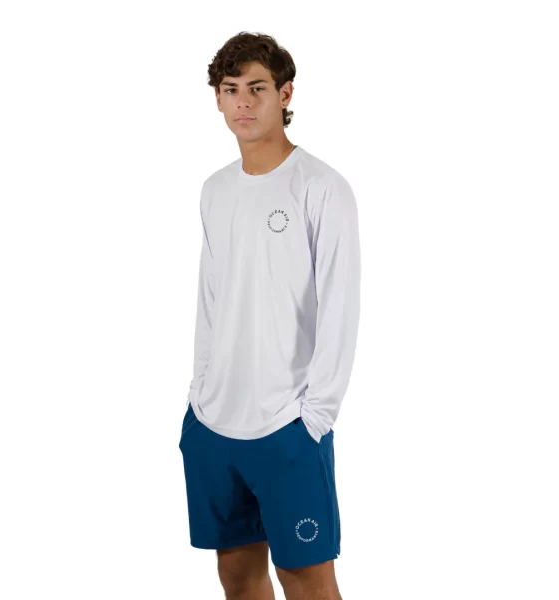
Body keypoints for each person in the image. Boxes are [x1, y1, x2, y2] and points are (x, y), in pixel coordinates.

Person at [178, 31, 361, 600]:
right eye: (231, 89)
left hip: (287, 424)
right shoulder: (215, 190)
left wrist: (316, 417)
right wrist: (199, 394)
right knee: (236, 574)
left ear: (285, 93)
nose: (244, 102)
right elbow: (211, 299)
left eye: (257, 88)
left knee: (307, 581)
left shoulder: (322, 187)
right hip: (213, 422)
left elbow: (341, 305)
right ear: (217, 98)